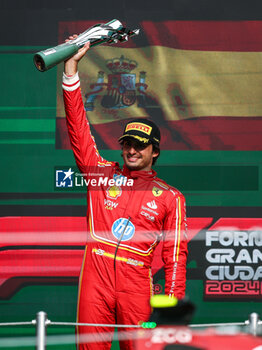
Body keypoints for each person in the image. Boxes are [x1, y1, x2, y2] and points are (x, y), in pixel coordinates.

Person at [63, 38, 188, 350]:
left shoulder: (170, 197)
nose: (131, 150)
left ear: (154, 151)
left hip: (137, 289)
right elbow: (79, 128)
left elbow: (175, 257)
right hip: (96, 280)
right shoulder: (101, 175)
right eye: (127, 143)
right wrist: (70, 70)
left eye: (139, 145)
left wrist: (169, 306)